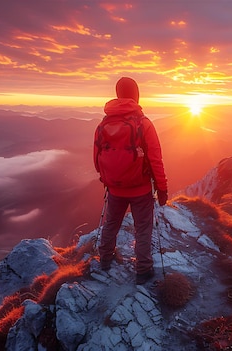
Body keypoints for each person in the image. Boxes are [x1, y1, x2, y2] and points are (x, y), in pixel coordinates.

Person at [93, 77, 168, 285]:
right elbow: (155, 159)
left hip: (115, 187)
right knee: (143, 228)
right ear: (136, 95)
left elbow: (96, 156)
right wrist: (162, 188)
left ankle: (106, 259)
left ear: (118, 94)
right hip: (140, 189)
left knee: (111, 224)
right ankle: (143, 270)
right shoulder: (143, 124)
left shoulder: (103, 125)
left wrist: (106, 178)